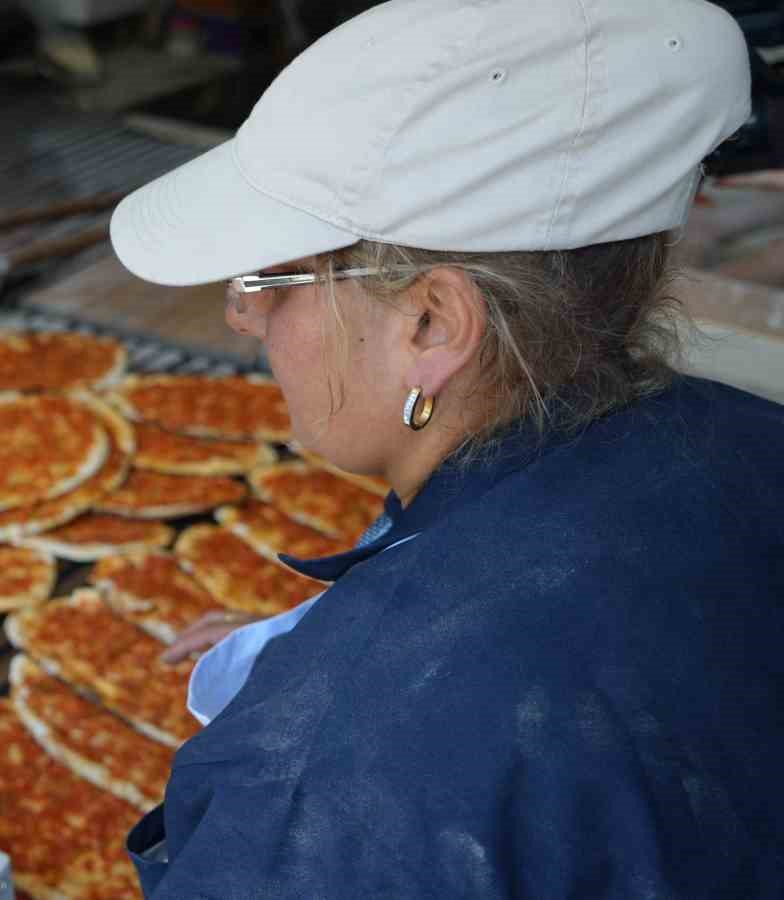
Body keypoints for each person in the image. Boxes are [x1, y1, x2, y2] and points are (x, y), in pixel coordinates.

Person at [108, 0, 784, 896]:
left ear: (433, 322)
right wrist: (349, 650)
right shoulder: (748, 441)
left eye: (272, 281)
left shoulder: (323, 795)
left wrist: (344, 701)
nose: (243, 316)